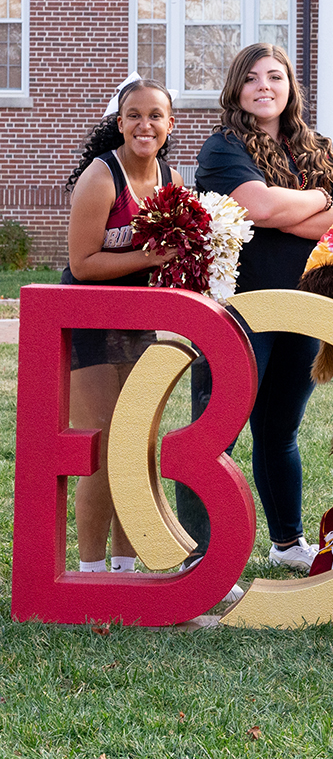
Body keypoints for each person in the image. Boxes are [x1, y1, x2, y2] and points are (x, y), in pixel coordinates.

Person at [177, 43, 333, 573]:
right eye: (252, 77)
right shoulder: (223, 148)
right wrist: (322, 201)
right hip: (242, 309)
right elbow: (256, 206)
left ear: (290, 86)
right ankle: (198, 555)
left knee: (280, 430)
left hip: (305, 307)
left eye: (275, 76)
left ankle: (287, 544)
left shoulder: (322, 148)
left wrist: (287, 212)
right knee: (215, 433)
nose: (264, 86)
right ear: (236, 88)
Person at [64, 78, 182, 573]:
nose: (144, 124)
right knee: (105, 443)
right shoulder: (101, 175)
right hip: (85, 321)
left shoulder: (169, 176)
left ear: (169, 124)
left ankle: (125, 566)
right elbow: (82, 263)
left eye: (155, 115)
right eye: (134, 114)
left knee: (140, 444)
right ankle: (89, 571)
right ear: (119, 122)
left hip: (136, 321)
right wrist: (148, 255)